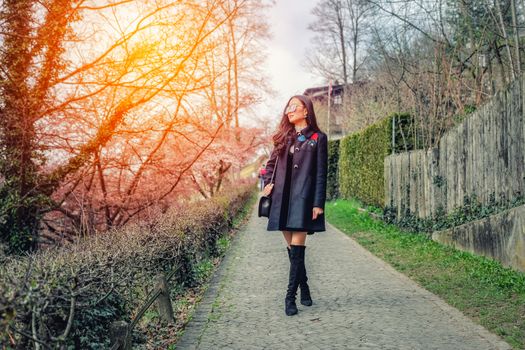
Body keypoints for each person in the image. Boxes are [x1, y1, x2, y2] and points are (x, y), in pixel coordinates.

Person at [261, 94, 328, 316]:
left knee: (298, 249)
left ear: (306, 110)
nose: (289, 110)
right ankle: (305, 287)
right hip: (282, 200)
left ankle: (290, 298)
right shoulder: (283, 137)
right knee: (293, 251)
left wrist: (318, 203)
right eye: (288, 106)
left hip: (303, 200)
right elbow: (270, 165)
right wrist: (268, 185)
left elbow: (321, 174)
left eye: (294, 106)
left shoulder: (318, 138)